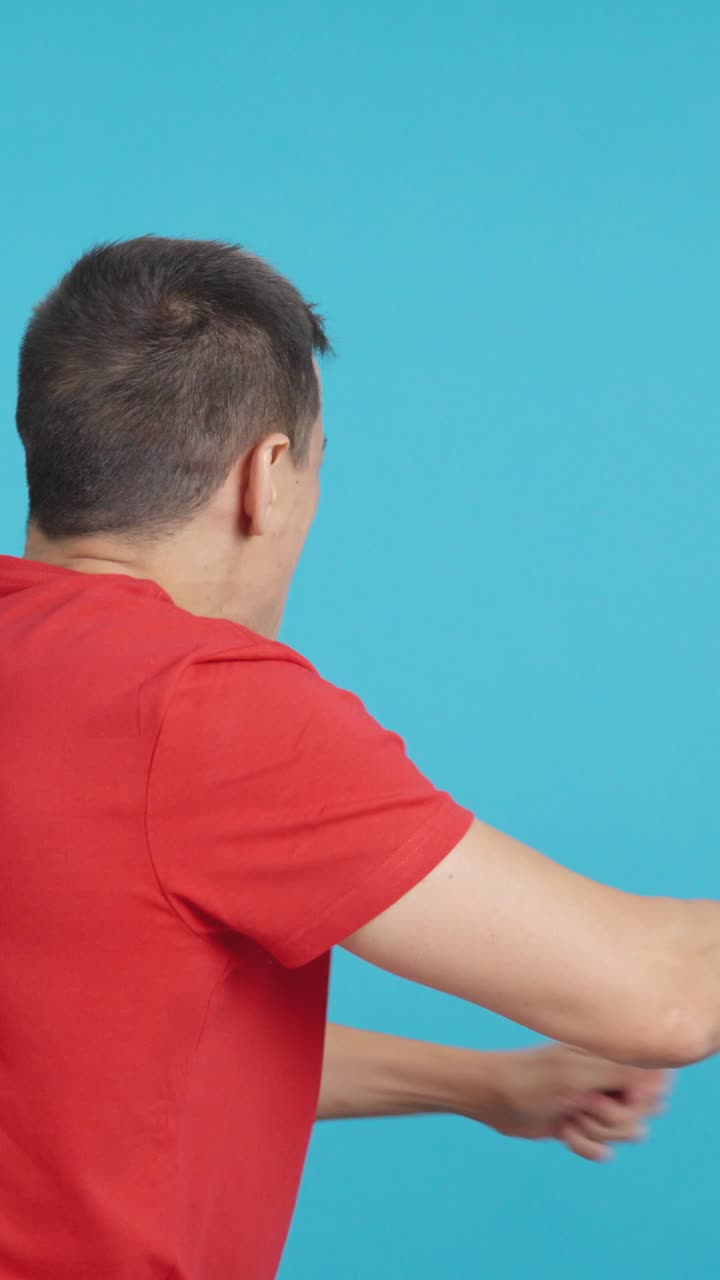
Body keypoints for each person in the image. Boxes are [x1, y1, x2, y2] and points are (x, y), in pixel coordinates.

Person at [0, 235, 716, 1280]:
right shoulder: (197, 703)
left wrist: (481, 1082)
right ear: (269, 475)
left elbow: (103, 1043)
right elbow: (661, 992)